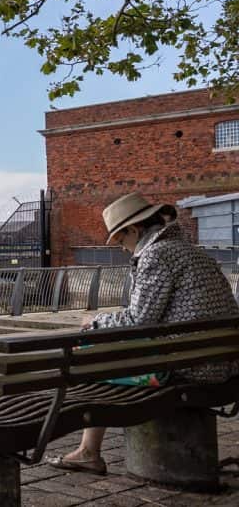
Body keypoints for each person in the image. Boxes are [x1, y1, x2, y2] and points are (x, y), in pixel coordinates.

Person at [48, 192, 239, 475]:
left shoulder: (156, 255)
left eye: (122, 240)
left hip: (187, 367)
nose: (124, 248)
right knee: (107, 353)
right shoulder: (190, 250)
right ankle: (87, 450)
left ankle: (89, 451)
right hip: (223, 362)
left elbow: (140, 319)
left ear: (134, 229)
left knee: (87, 356)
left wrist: (96, 321)